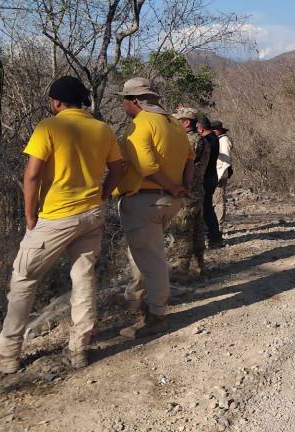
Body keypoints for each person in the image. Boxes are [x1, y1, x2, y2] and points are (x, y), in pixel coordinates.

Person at [0, 76, 124, 373]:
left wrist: (31, 216)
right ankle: (78, 350)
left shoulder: (49, 127)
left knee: (24, 278)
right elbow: (118, 167)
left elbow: (31, 176)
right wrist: (103, 194)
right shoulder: (102, 129)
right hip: (92, 214)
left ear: (57, 101)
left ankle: (7, 354)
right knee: (84, 279)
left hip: (57, 216)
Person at [114, 77, 193, 339]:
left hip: (146, 200)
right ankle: (138, 301)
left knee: (153, 260)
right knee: (148, 253)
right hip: (169, 201)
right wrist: (182, 188)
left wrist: (172, 186)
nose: (123, 104)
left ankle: (156, 315)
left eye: (124, 99)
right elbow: (190, 160)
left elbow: (147, 167)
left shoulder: (141, 124)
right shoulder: (174, 124)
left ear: (135, 101)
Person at [169, 107, 209, 278]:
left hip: (187, 191)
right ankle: (199, 264)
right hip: (197, 189)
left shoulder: (189, 141)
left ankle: (182, 267)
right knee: (197, 228)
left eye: (178, 121)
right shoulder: (202, 140)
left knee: (183, 229)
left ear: (186, 122)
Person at [196, 116, 224, 248]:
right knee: (207, 208)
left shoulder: (207, 141)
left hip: (206, 177)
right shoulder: (214, 138)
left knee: (206, 209)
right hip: (211, 176)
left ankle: (214, 237)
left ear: (200, 128)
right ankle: (214, 236)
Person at [211, 120, 233, 225]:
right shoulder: (218, 140)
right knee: (215, 199)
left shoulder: (224, 140)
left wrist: (219, 175)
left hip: (220, 173)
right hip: (216, 172)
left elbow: (225, 161)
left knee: (219, 200)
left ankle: (218, 224)